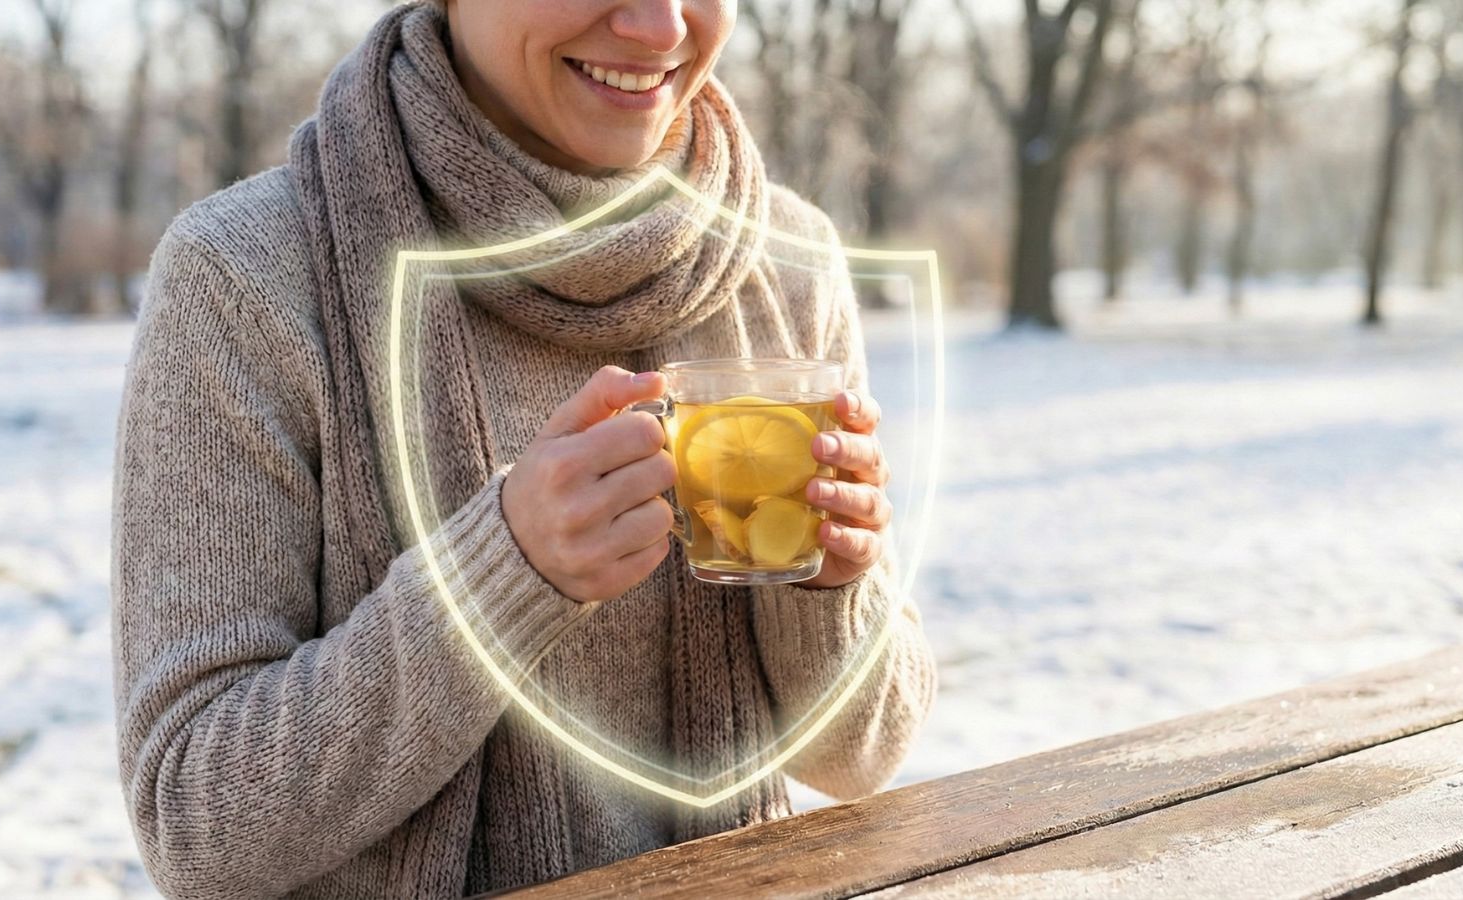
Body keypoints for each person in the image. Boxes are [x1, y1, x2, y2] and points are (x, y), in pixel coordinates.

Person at [109, 0, 937, 896]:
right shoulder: (247, 273)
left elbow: (862, 757)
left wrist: (826, 587)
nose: (661, 28)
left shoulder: (786, 260)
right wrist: (501, 579)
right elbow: (197, 830)